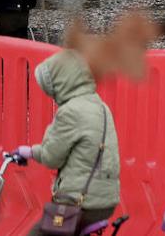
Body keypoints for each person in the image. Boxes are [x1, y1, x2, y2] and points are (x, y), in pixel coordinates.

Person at [14, 49, 121, 234]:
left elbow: (51, 157)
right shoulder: (102, 106)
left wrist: (29, 151)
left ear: (62, 83)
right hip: (106, 202)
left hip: (81, 203)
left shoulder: (71, 111)